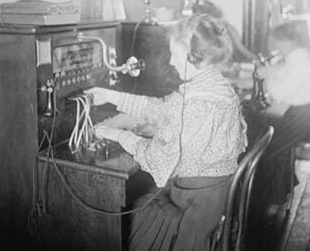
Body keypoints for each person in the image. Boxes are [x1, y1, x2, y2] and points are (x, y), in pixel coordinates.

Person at [89, 14, 248, 251]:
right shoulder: (215, 85)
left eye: (175, 54)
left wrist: (118, 135)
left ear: (194, 56)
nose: (172, 61)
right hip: (216, 196)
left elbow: (160, 158)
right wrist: (113, 96)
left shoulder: (195, 101)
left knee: (135, 212)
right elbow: (164, 109)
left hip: (193, 209)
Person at [248, 20, 310, 214]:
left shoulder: (300, 62)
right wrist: (269, 71)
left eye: (278, 42)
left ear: (290, 42)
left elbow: (280, 94)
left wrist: (266, 76)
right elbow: (283, 72)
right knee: (278, 150)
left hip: (300, 117)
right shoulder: (297, 57)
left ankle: (272, 199)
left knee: (269, 151)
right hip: (298, 113)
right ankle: (279, 195)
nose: (275, 46)